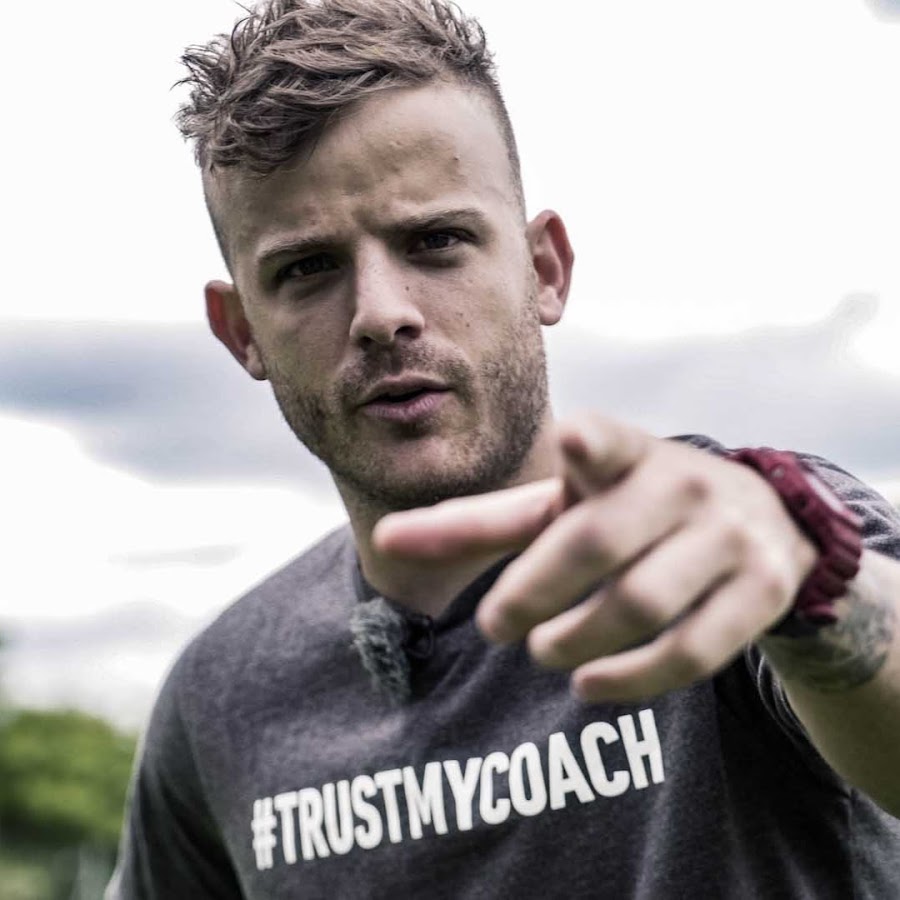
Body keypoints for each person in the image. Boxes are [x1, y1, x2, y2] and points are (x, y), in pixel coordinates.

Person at [108, 1, 900, 897]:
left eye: (436, 241)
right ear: (241, 330)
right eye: (308, 268)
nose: (381, 313)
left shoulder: (750, 539)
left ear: (545, 270)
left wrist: (815, 586)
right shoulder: (223, 693)